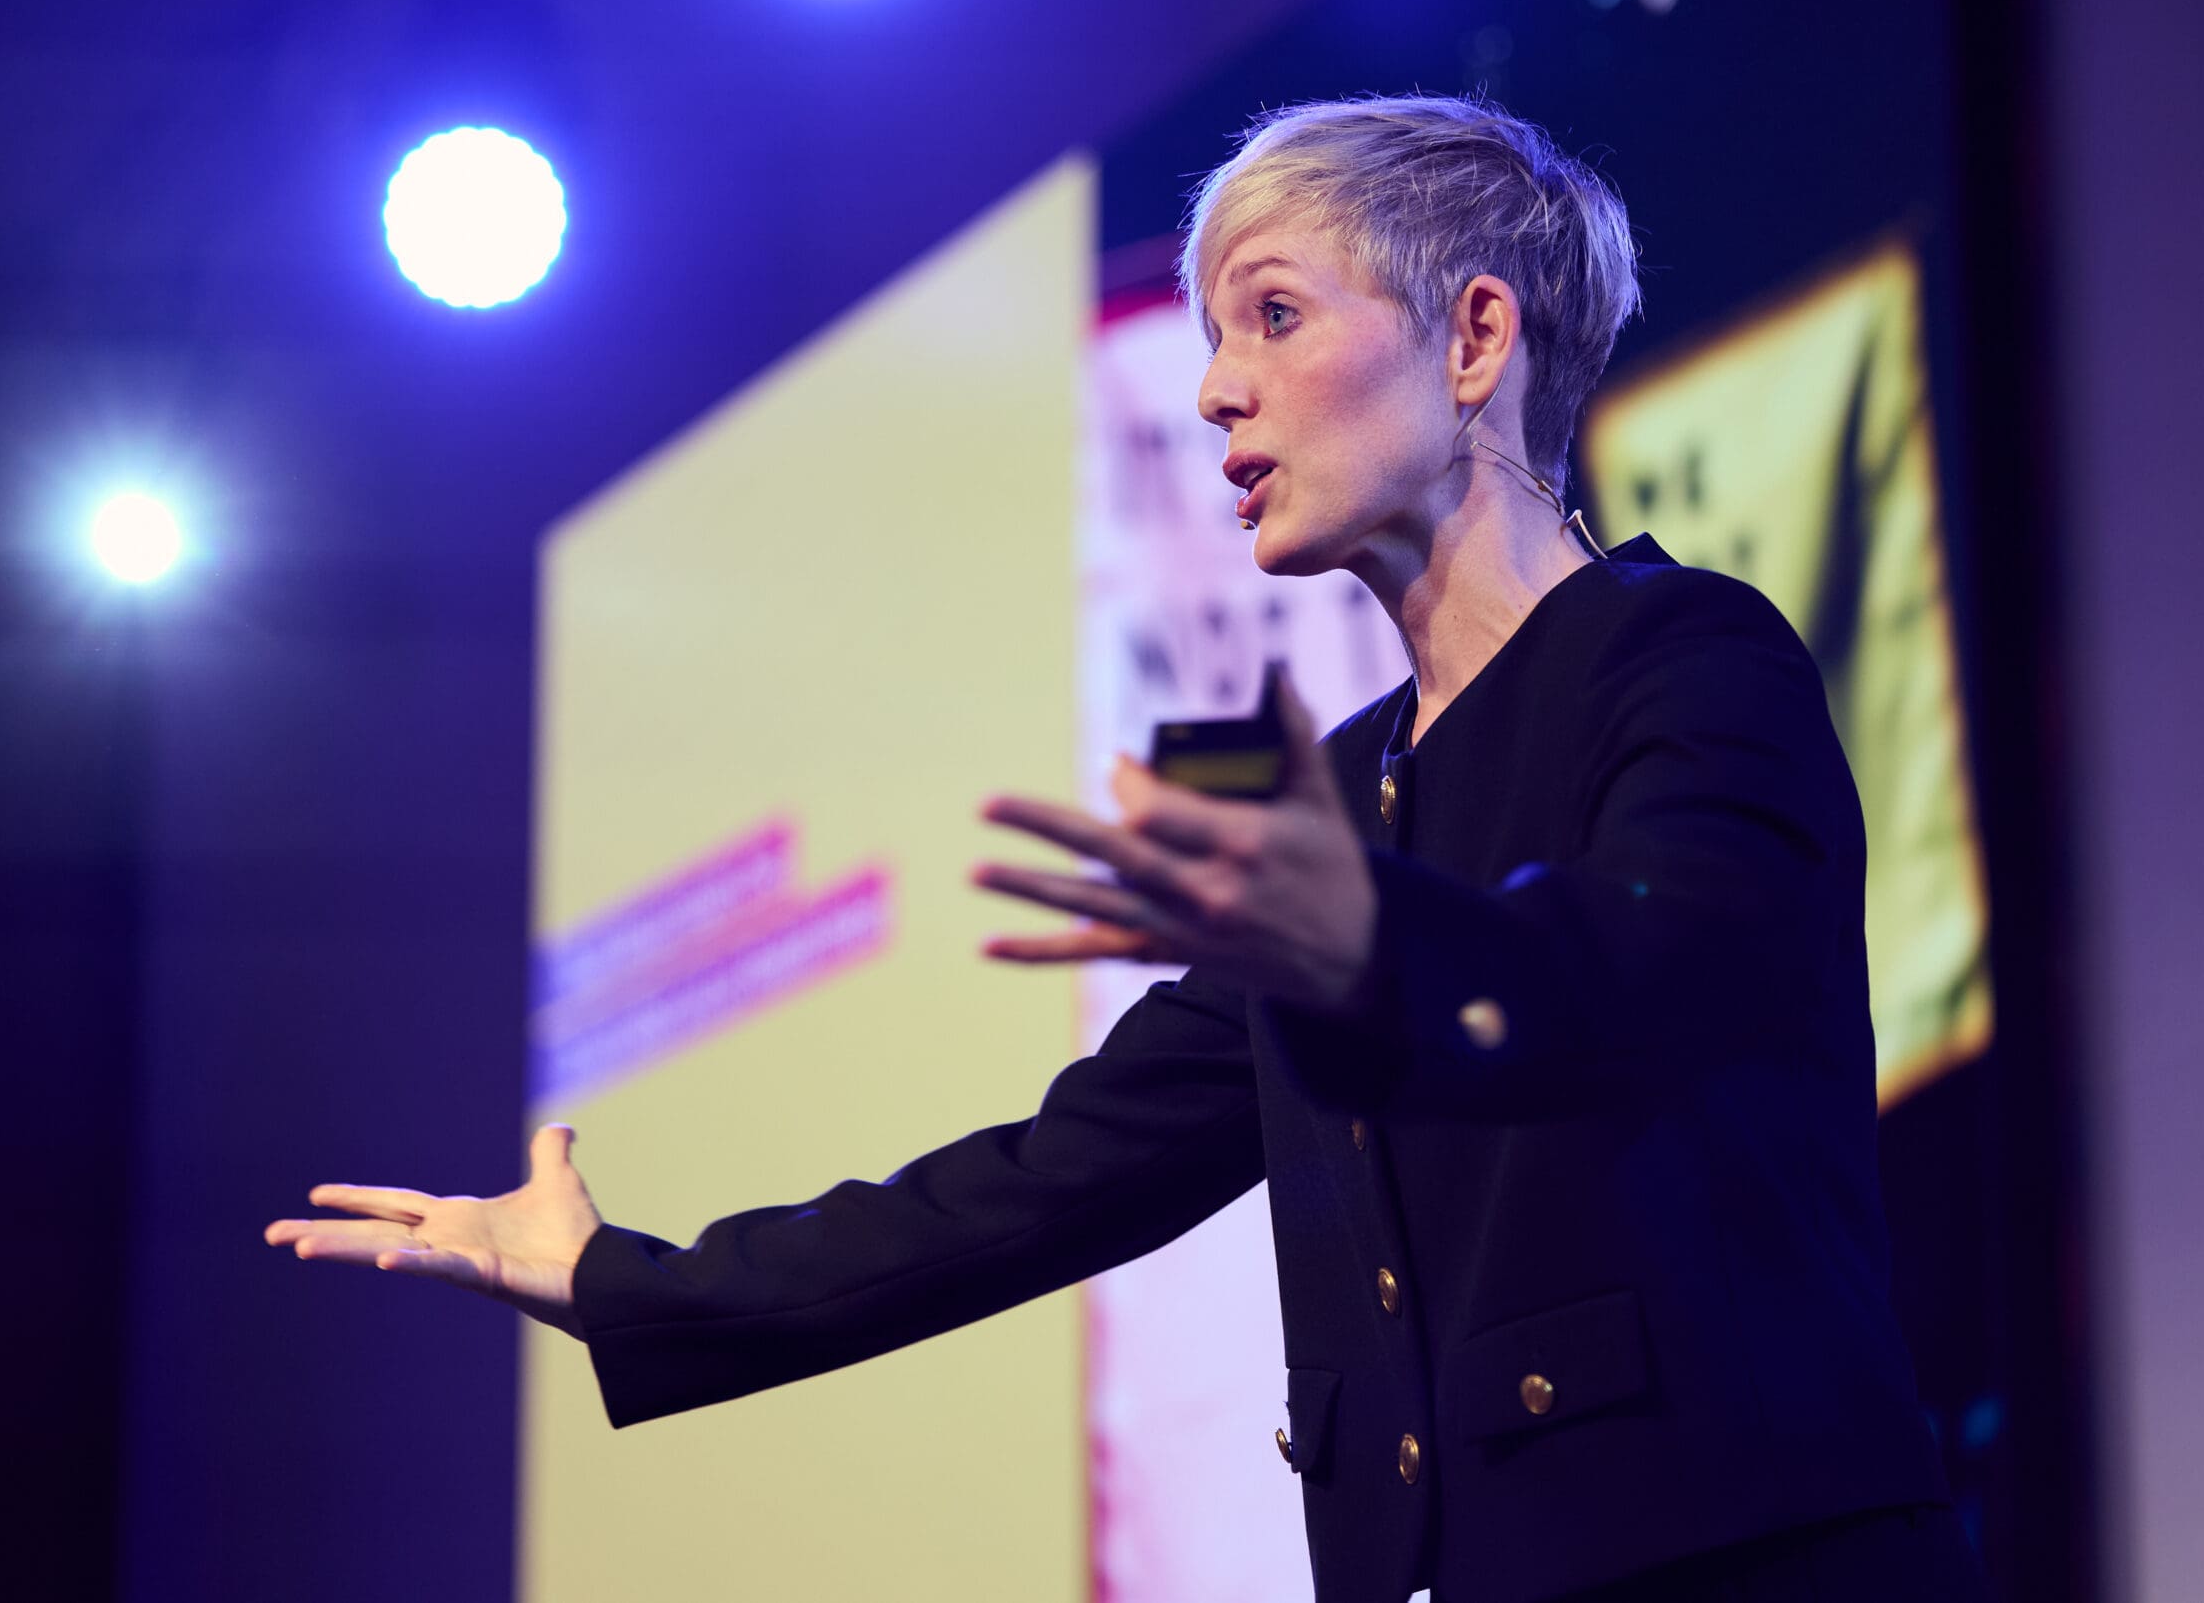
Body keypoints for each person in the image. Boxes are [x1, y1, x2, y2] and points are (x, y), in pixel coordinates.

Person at [267, 95, 1982, 1602]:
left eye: (1275, 315)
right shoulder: (1347, 790)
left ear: (1475, 336)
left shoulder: (1684, 655)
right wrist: (626, 1283)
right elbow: (1048, 1181)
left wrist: (1364, 945)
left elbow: (1647, 973)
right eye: (1214, 334)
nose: (1217, 388)